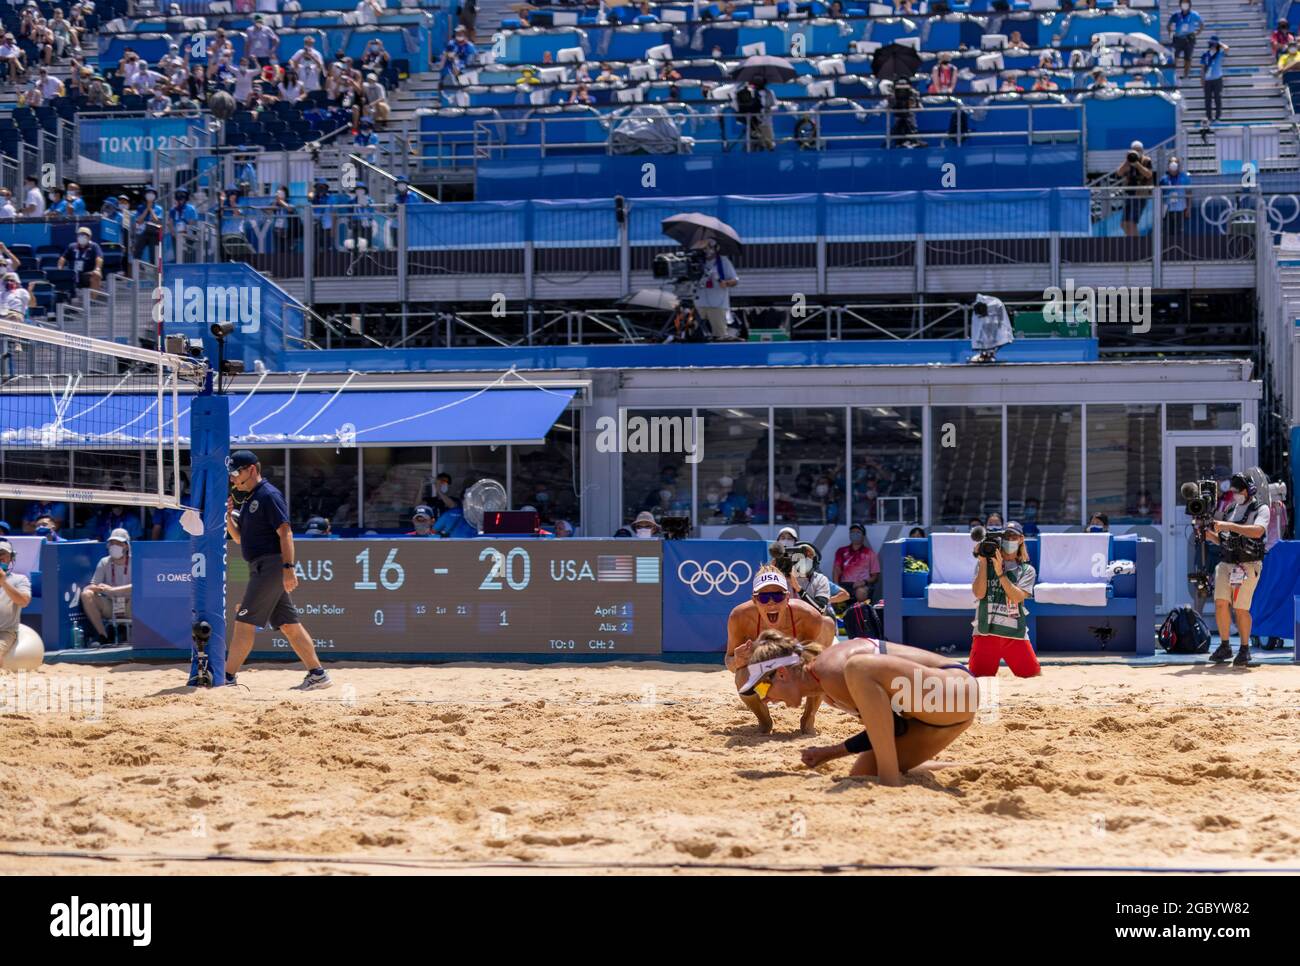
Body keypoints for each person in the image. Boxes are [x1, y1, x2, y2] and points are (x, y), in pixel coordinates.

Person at [737, 631, 977, 784]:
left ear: (781, 674)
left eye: (761, 690)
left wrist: (833, 750)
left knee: (859, 667)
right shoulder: (828, 690)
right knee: (861, 774)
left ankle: (890, 784)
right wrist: (830, 752)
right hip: (934, 716)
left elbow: (893, 726)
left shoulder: (830, 670)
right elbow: (891, 729)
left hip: (954, 689)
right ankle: (965, 768)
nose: (765, 701)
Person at [224, 450, 333, 689]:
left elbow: (286, 532)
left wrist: (288, 567)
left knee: (244, 623)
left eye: (234, 473)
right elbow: (240, 538)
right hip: (261, 566)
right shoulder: (249, 498)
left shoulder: (268, 495)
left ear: (251, 470)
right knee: (289, 625)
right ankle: (318, 674)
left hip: (270, 566)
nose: (231, 478)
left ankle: (227, 678)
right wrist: (227, 518)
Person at [724, 567, 835, 734]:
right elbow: (730, 664)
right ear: (755, 600)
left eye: (777, 596)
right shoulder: (739, 617)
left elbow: (814, 663)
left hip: (795, 674)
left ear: (787, 598)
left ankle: (808, 718)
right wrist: (737, 661)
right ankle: (765, 721)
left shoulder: (808, 617)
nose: (771, 602)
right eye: (764, 597)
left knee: (821, 664)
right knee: (741, 676)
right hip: (764, 682)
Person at [1204, 473, 1269, 667]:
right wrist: (1209, 535)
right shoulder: (1231, 508)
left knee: (1241, 608)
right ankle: (1225, 645)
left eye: (1239, 491)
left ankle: (1244, 648)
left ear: (1248, 490)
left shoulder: (1261, 509)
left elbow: (1258, 531)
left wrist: (1228, 525)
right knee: (1221, 603)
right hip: (1227, 563)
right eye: (1233, 491)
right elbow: (1223, 539)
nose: (1236, 495)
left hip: (1248, 564)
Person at [969, 520, 1040, 678]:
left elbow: (1016, 597)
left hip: (1014, 633)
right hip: (985, 632)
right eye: (1005, 536)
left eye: (1013, 536)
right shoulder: (984, 563)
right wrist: (982, 562)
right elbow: (979, 594)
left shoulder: (1027, 570)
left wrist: (1000, 573)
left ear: (1021, 539)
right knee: (979, 679)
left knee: (1032, 675)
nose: (1008, 540)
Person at [80, 528, 132, 645]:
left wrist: (113, 590)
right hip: (111, 604)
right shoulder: (104, 561)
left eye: (119, 543)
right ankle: (103, 636)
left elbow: (139, 585)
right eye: (112, 543)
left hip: (131, 605)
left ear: (127, 546)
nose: (114, 546)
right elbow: (92, 585)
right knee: (86, 594)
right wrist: (100, 588)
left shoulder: (135, 560)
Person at [692, 237, 739, 340]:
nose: (706, 250)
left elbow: (735, 280)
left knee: (719, 335)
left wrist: (726, 283)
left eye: (709, 247)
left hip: (717, 304)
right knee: (695, 333)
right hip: (699, 304)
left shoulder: (723, 261)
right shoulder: (697, 261)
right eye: (704, 248)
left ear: (716, 248)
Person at [0, 539, 33, 669]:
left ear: (11, 558)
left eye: (3, 553)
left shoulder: (20, 579)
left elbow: (24, 601)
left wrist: (3, 582)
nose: (0, 557)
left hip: (4, 632)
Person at [1116, 140, 1153, 238]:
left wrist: (1138, 165)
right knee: (1124, 224)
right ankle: (1133, 242)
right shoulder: (1129, 160)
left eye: (1138, 150)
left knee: (1132, 223)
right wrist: (1127, 161)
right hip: (1129, 194)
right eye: (1134, 150)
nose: (1136, 152)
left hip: (1140, 195)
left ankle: (1136, 246)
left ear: (1142, 150)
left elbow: (1149, 174)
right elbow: (1119, 173)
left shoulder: (1146, 160)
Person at [832, 523, 880, 599]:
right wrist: (836, 586)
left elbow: (875, 576)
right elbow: (836, 570)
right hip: (845, 584)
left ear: (863, 536)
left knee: (860, 592)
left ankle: (859, 610)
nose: (854, 534)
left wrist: (863, 582)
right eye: (852, 532)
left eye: (858, 532)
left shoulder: (870, 553)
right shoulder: (841, 551)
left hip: (862, 585)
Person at [1168, 1, 1203, 80]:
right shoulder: (1176, 15)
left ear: (1190, 5)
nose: (1185, 5)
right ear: (1180, 5)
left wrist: (1197, 33)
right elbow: (1169, 24)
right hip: (1178, 38)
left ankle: (1186, 75)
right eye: (1183, 3)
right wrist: (1170, 33)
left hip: (1189, 39)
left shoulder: (1194, 14)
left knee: (1188, 58)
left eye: (1186, 3)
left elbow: (1202, 24)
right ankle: (1173, 75)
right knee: (1175, 57)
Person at [1160, 156, 1191, 234]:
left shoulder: (1185, 178)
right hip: (1167, 210)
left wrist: (1188, 208)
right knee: (1166, 231)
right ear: (1168, 165)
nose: (1173, 164)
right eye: (1171, 162)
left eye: (1175, 162)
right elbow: (1159, 195)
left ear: (1178, 165)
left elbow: (1189, 193)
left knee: (1179, 232)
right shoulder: (1163, 179)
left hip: (1180, 209)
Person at [1201, 36, 1228, 123]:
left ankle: (1217, 117)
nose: (1212, 45)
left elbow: (1227, 48)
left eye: (1214, 44)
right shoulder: (1205, 54)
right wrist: (1202, 79)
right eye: (1211, 44)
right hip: (1208, 80)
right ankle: (1209, 117)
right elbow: (1202, 68)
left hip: (1217, 79)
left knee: (1217, 98)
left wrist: (1219, 43)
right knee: (1208, 100)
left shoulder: (1220, 52)